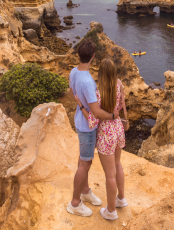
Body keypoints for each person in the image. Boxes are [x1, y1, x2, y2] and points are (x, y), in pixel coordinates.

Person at [67, 39, 119, 218]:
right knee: (85, 163)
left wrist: (81, 106)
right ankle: (75, 202)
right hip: (87, 129)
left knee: (83, 160)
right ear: (93, 57)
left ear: (79, 55)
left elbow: (72, 91)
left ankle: (85, 191)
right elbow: (96, 112)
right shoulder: (88, 81)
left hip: (80, 123)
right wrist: (113, 116)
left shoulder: (74, 72)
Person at [75, 58, 128, 221]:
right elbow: (121, 106)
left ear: (101, 75)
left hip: (106, 134)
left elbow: (93, 119)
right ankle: (121, 199)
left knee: (109, 175)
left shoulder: (98, 93)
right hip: (118, 129)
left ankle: (111, 211)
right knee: (118, 165)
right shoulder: (119, 85)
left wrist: (81, 106)